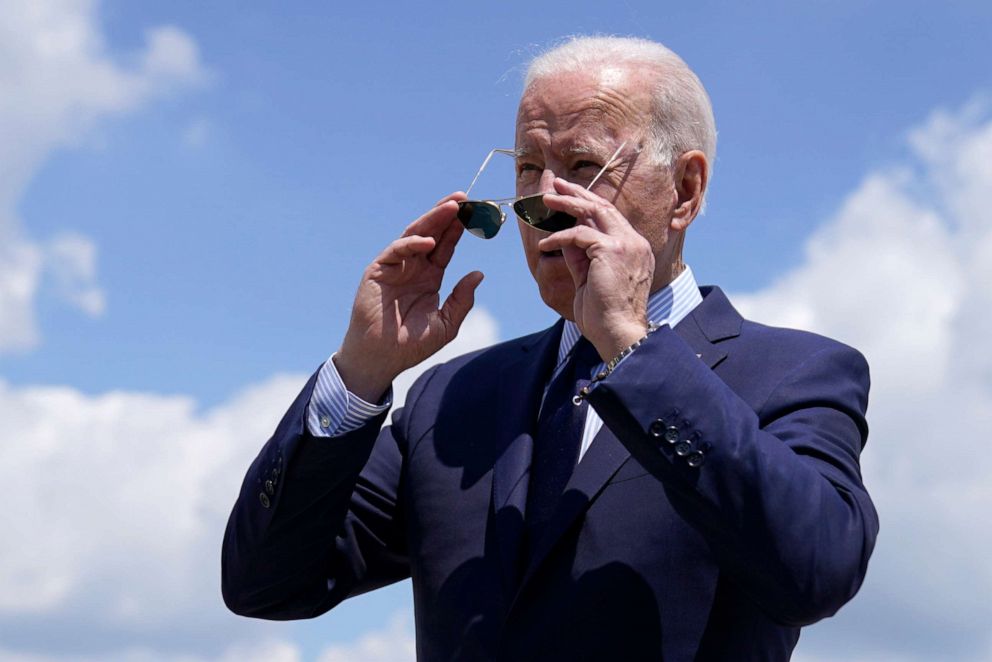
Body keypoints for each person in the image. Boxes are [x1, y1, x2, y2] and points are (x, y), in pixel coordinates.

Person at [222, 36, 877, 661]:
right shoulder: (450, 398)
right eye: (529, 170)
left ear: (685, 190)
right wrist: (360, 373)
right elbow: (265, 582)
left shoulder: (796, 374)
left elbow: (816, 570)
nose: (542, 205)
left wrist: (631, 345)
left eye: (584, 169)